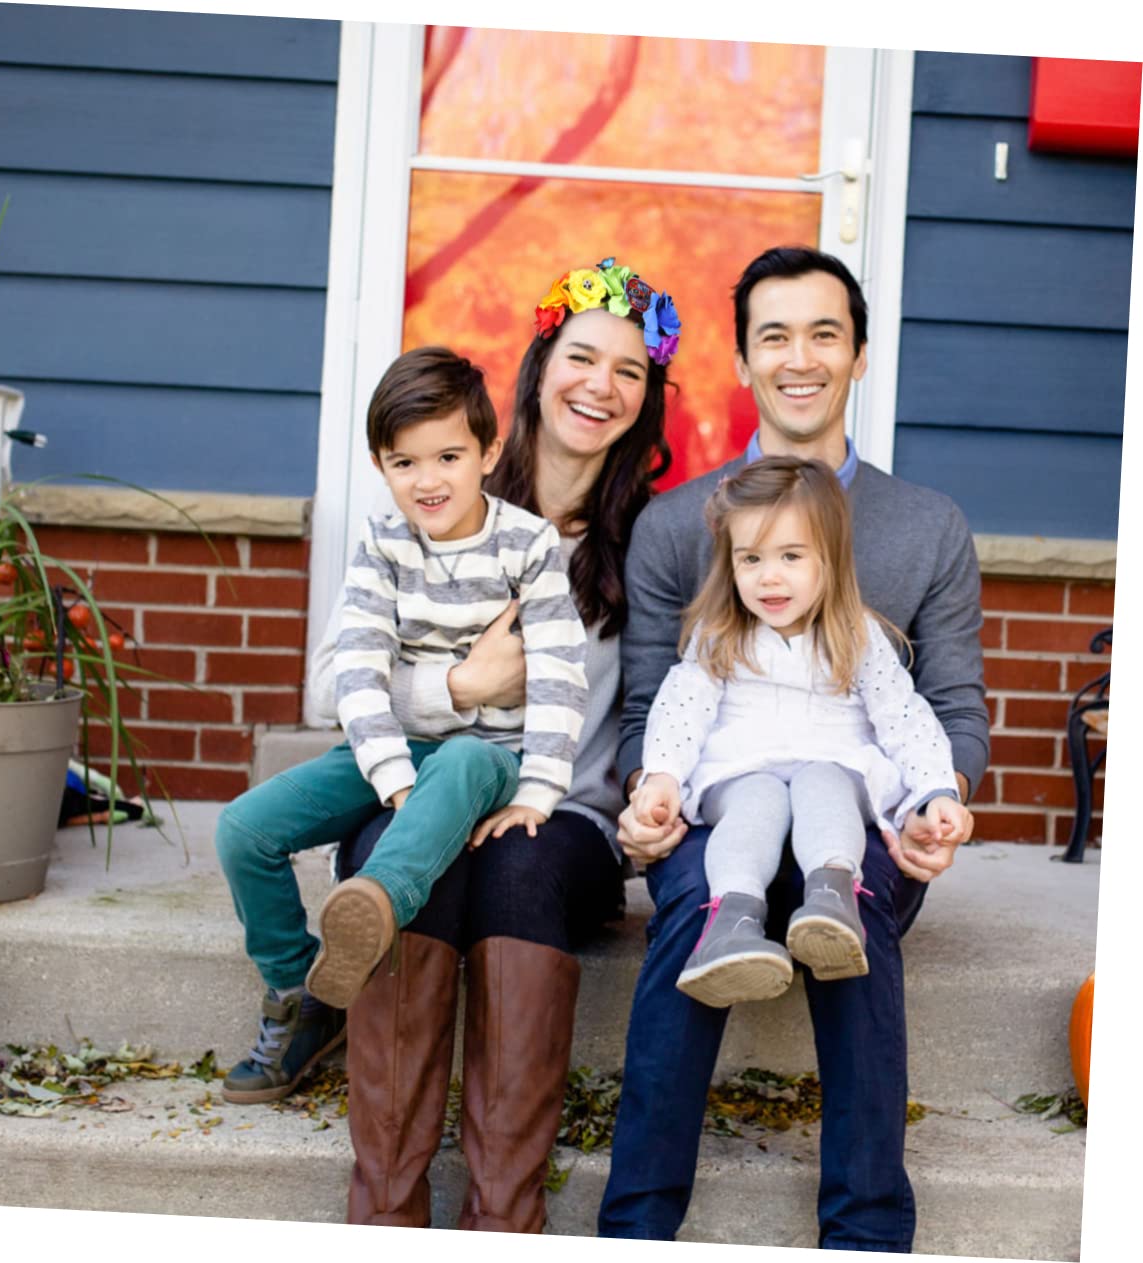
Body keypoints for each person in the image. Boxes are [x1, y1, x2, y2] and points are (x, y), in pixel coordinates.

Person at [598, 246, 989, 1252]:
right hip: (720, 795)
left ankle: (865, 1235)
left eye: (826, 333)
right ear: (743, 360)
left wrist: (940, 806)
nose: (800, 356)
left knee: (854, 912)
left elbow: (943, 708)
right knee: (694, 904)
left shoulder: (930, 526)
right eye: (775, 334)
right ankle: (636, 1229)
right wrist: (652, 800)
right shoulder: (678, 524)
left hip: (858, 807)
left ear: (859, 355)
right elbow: (656, 707)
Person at [310, 258, 678, 1230]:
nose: (601, 385)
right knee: (405, 859)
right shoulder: (444, 492)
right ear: (538, 366)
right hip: (431, 784)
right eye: (582, 357)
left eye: (630, 373)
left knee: (515, 865)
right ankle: (384, 1214)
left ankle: (503, 1223)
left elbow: (665, 704)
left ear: (647, 402)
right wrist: (458, 686)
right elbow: (338, 681)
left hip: (567, 816)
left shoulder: (651, 540)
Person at [214, 345, 589, 1095]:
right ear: (380, 465)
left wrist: (537, 792)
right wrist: (389, 778)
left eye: (447, 456)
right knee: (242, 830)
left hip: (490, 754)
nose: (427, 480)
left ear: (488, 452)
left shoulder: (529, 544)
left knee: (459, 763)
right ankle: (302, 994)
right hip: (395, 746)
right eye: (403, 462)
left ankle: (376, 900)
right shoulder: (381, 544)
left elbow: (557, 673)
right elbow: (357, 670)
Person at [632, 455, 972, 1009]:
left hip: (833, 764)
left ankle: (832, 899)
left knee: (825, 782)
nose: (770, 576)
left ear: (829, 560)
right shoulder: (719, 637)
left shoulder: (858, 637)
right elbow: (680, 707)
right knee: (757, 801)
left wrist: (937, 789)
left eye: (791, 556)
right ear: (731, 564)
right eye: (752, 559)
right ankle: (732, 922)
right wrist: (662, 777)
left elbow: (906, 720)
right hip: (741, 769)